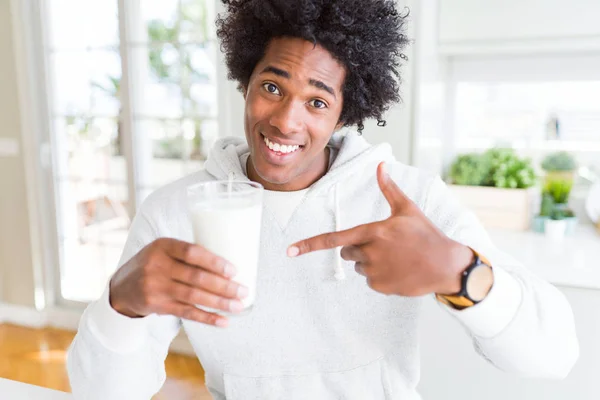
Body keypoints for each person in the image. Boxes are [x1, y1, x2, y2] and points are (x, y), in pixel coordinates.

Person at [67, 0, 579, 399]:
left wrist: (460, 271)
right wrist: (120, 305)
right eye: (272, 86)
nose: (287, 121)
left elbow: (554, 356)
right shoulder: (178, 210)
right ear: (245, 82)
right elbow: (100, 392)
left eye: (317, 101)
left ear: (344, 112)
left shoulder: (409, 200)